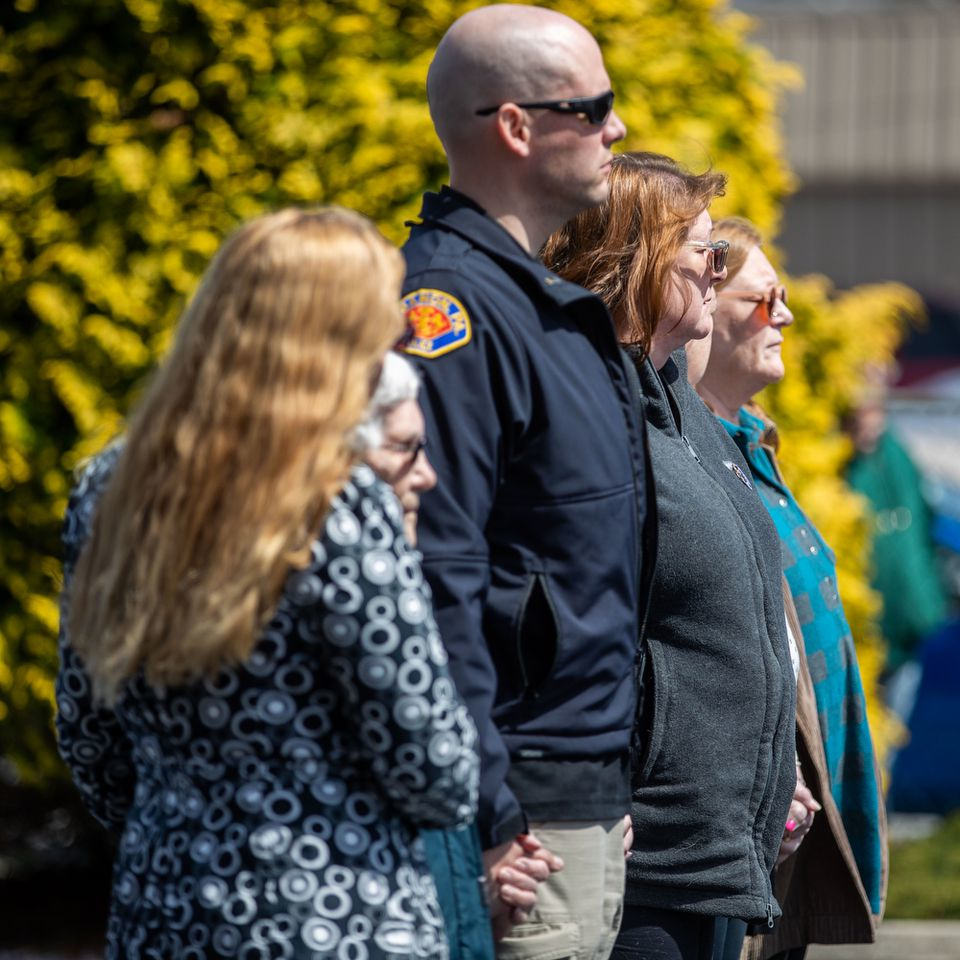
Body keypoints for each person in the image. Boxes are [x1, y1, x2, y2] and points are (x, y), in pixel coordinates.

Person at [55, 208, 480, 960]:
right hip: (337, 915)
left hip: (163, 907)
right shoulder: (339, 501)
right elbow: (433, 767)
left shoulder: (108, 485)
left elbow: (89, 736)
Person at [400, 5, 646, 957]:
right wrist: (493, 808)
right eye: (595, 108)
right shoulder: (451, 307)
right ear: (514, 126)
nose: (617, 130)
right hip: (526, 821)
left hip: (580, 795)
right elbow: (435, 573)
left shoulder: (538, 302)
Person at [543, 152, 797, 960]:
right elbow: (569, 627)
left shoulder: (677, 407)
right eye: (702, 252)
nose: (716, 273)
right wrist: (596, 789)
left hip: (717, 855)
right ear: (640, 262)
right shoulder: (586, 409)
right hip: (644, 860)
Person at [697, 216, 887, 960]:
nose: (788, 314)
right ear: (701, 307)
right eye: (763, 298)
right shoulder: (696, 452)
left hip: (793, 821)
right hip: (757, 826)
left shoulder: (750, 440)